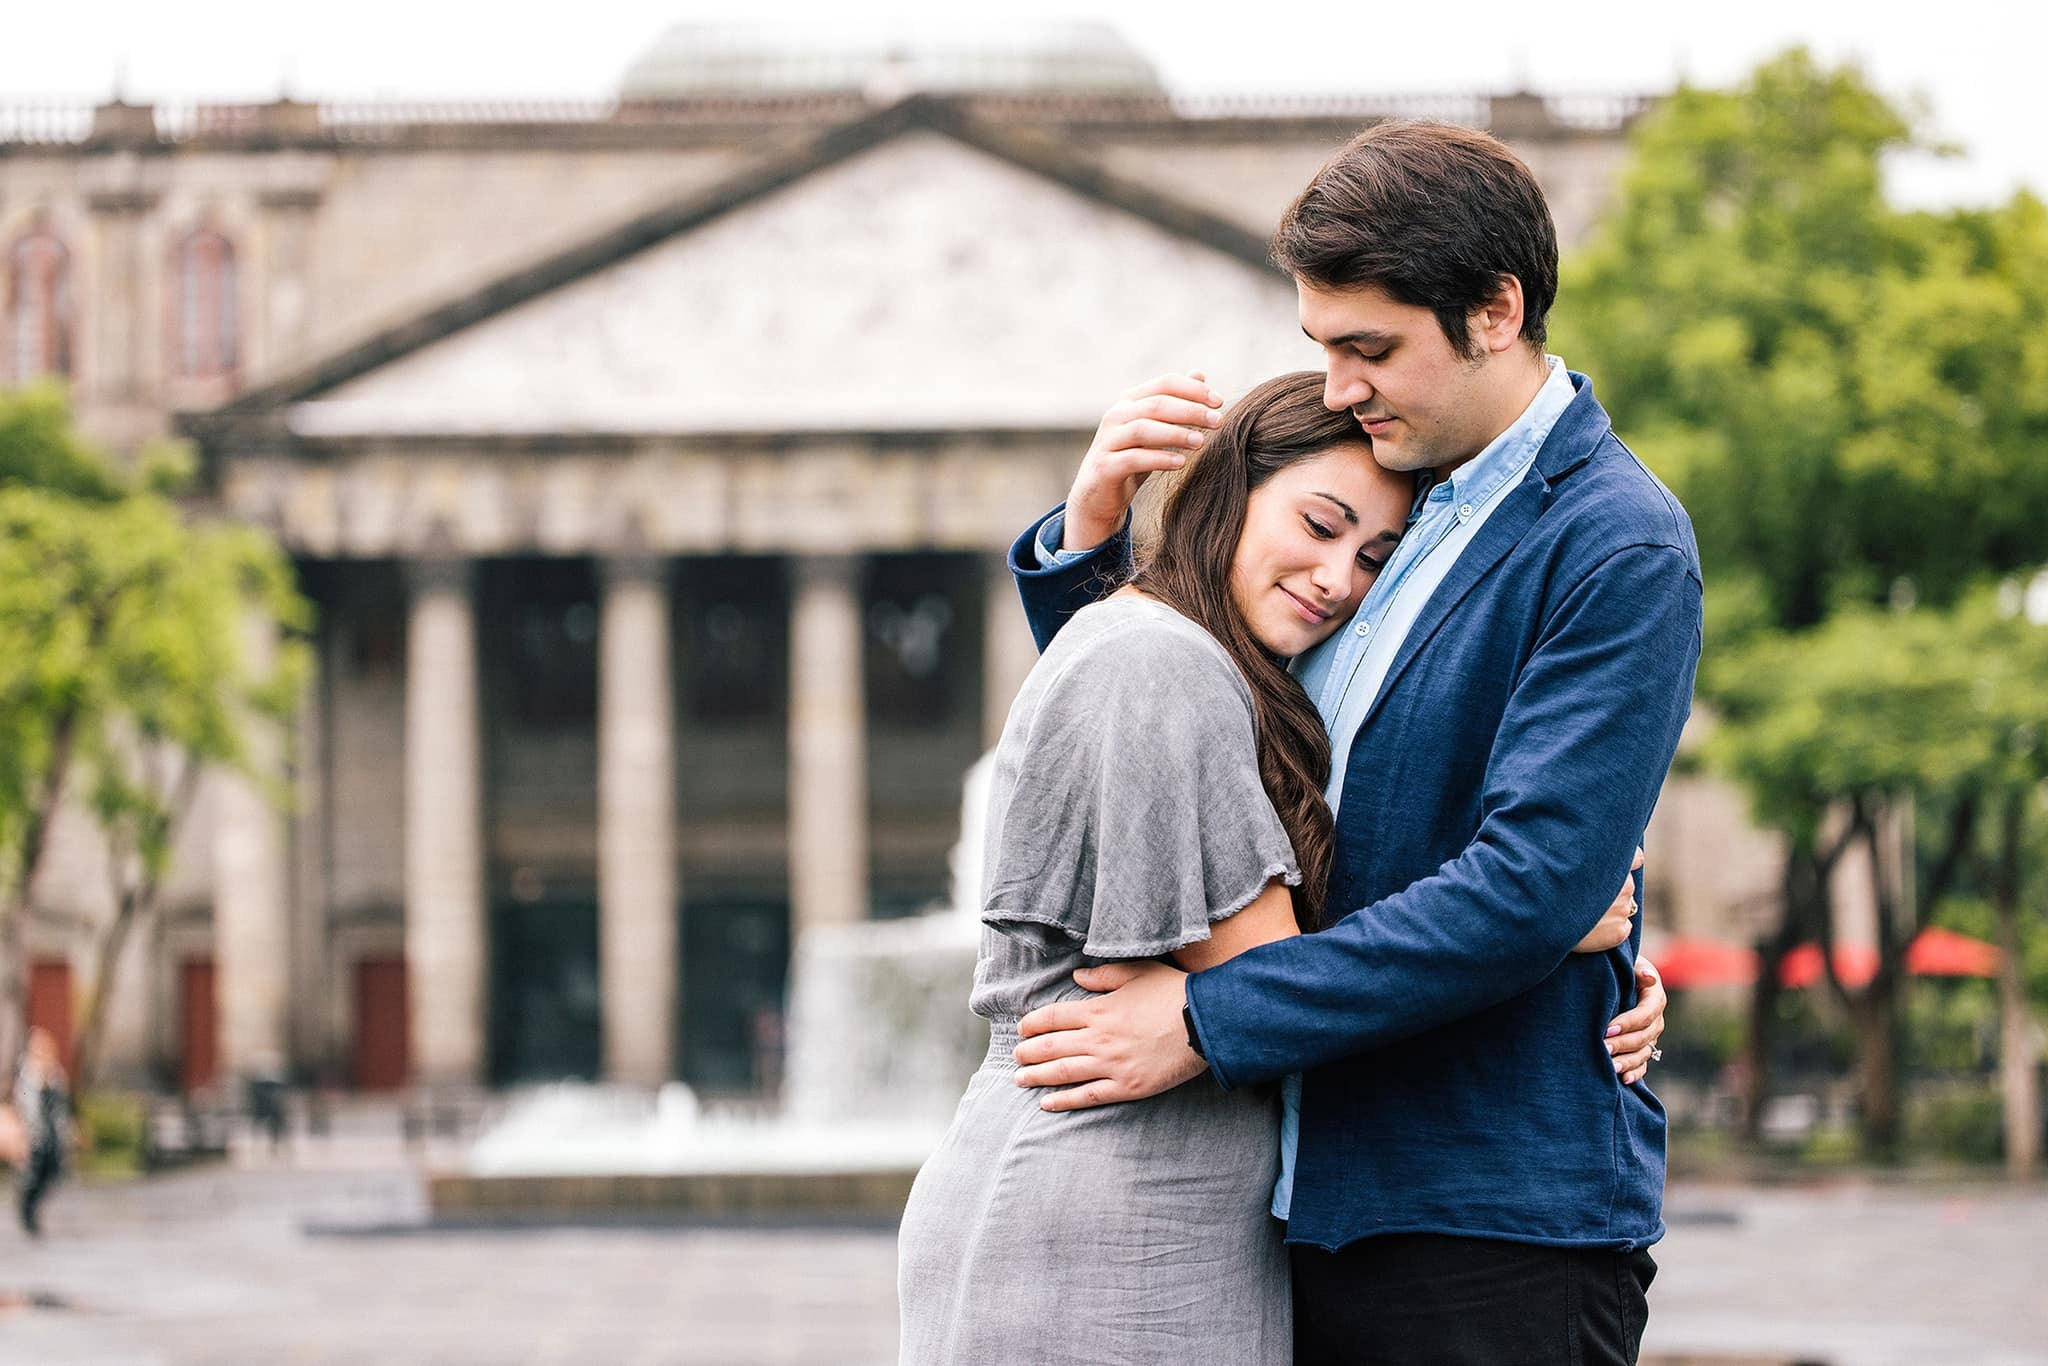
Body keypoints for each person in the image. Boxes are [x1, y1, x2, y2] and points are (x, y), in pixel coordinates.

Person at [1007, 120, 1701, 1364]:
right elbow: (1213, 726)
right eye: (1320, 348)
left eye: (1368, 348)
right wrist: (1092, 551)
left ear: (1494, 311)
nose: (1336, 388)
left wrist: (1209, 1016)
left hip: (1484, 1225)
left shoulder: (1614, 543)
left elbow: (1526, 887)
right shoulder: (1393, 501)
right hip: (1309, 1208)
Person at [896, 372, 1655, 1365]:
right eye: (1319, 522)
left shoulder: (1215, 666)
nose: (1338, 576)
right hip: (1115, 1200)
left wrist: (1542, 908)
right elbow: (1274, 979)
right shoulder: (1165, 665)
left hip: (1160, 1197)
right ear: (1230, 491)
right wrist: (1538, 915)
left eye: (1374, 556)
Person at [14, 1027, 75, 1238]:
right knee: (33, 1174)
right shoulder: (26, 1073)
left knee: (53, 1174)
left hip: (52, 1133)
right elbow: (22, 1102)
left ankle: (32, 1209)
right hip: (34, 1133)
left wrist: (69, 1129)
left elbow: (62, 1105)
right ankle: (27, 1212)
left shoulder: (56, 1073)